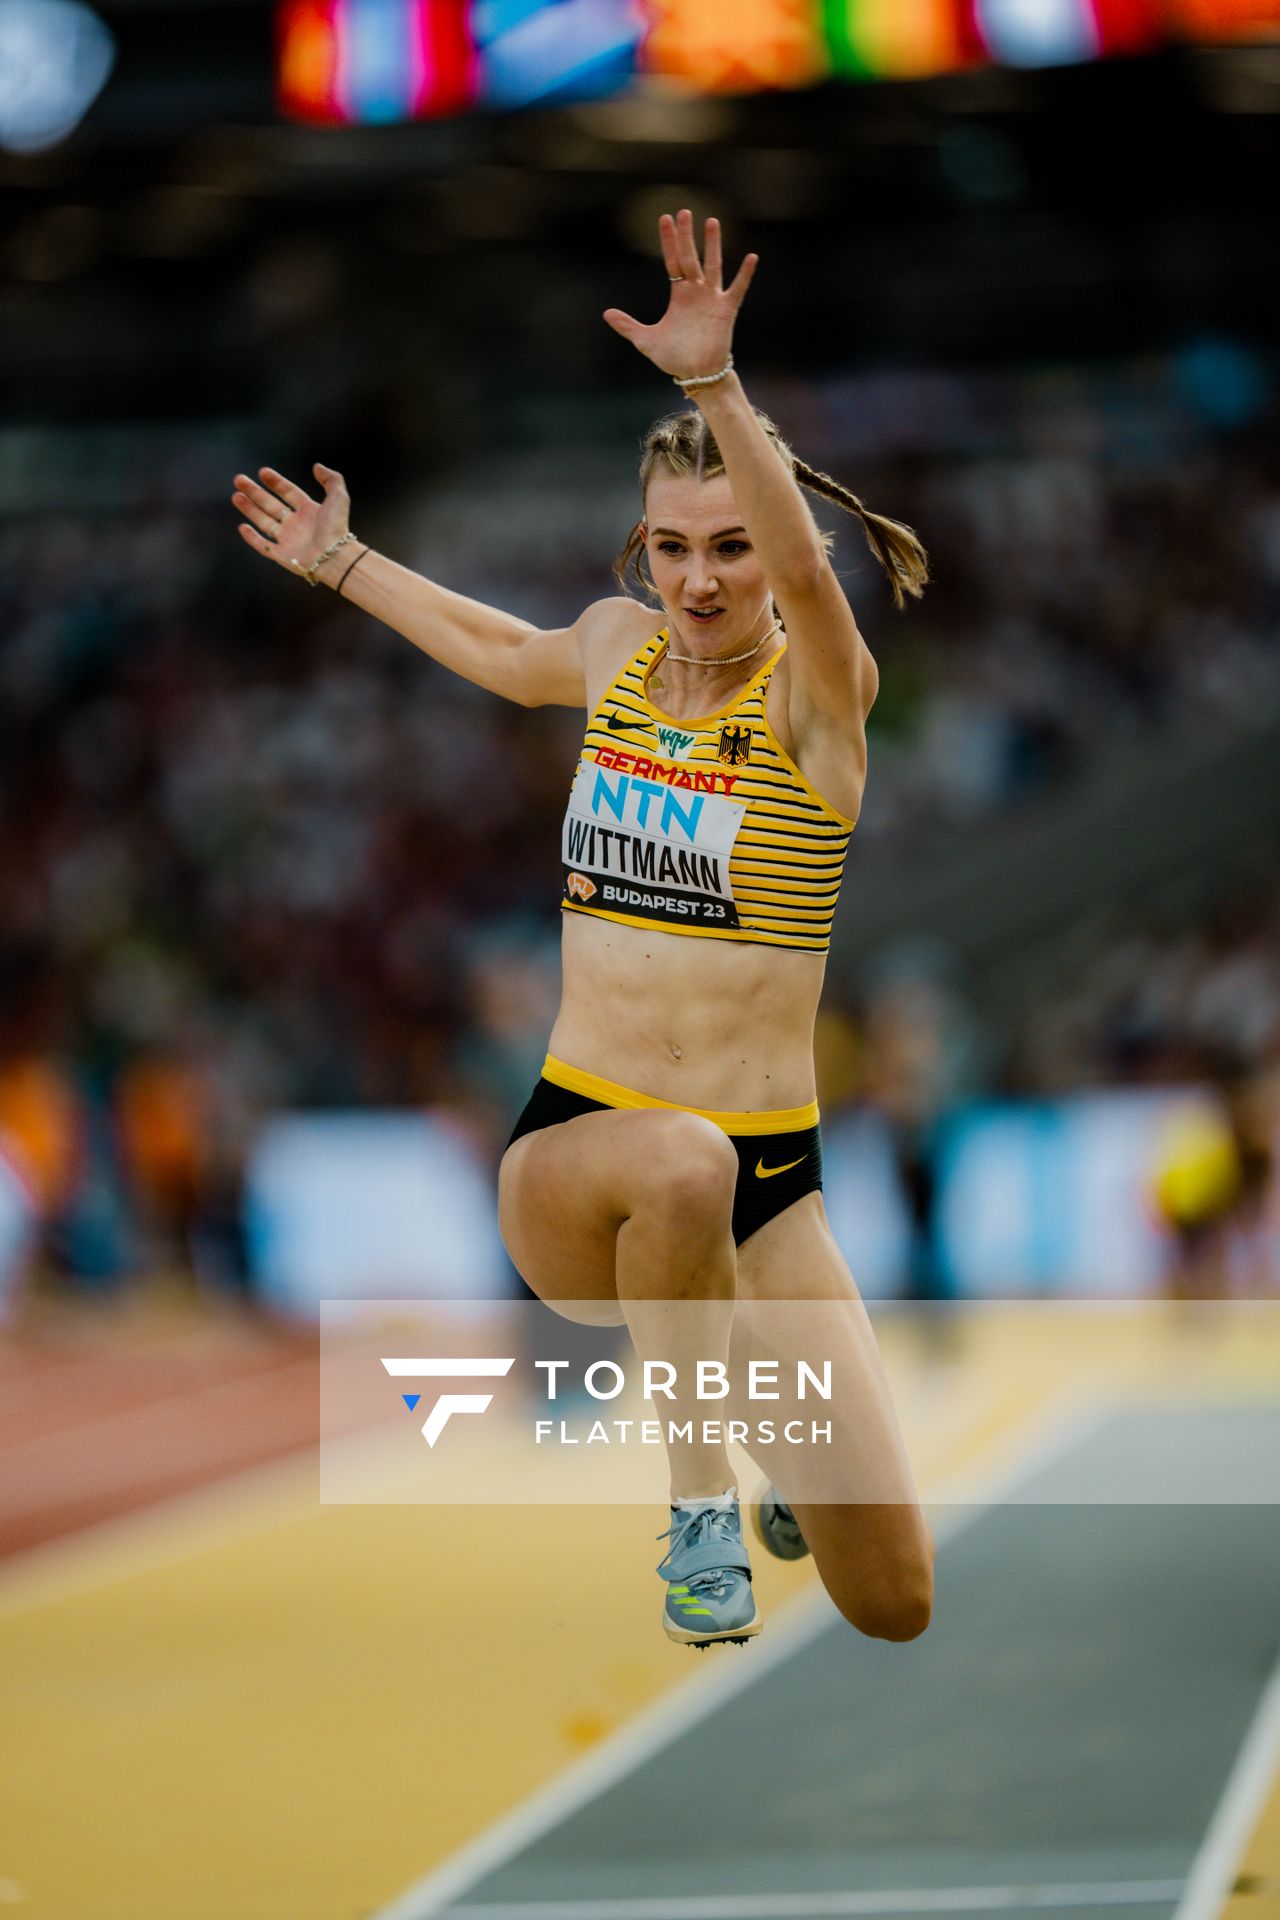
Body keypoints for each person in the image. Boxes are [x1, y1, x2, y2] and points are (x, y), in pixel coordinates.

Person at [230, 209, 935, 1650]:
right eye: (671, 549)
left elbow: (811, 583)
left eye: (731, 547)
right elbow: (503, 648)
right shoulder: (617, 652)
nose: (698, 582)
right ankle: (697, 1511)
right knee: (678, 1157)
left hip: (774, 1184)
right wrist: (342, 563)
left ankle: (751, 1394)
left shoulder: (816, 705)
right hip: (581, 1155)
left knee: (894, 1602)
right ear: (642, 550)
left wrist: (717, 389)